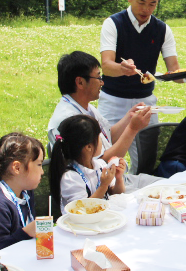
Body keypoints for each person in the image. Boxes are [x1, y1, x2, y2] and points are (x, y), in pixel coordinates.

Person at [98, 0, 186, 172]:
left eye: (152, 4)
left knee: (147, 159)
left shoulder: (162, 29)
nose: (146, 10)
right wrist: (123, 69)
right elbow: (106, 65)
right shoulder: (113, 23)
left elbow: (174, 71)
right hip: (113, 100)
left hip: (145, 101)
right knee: (106, 159)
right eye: (141, 2)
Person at [47, 51, 159, 192]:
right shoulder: (70, 120)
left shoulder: (86, 107)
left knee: (173, 185)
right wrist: (132, 129)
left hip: (118, 180)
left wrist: (129, 117)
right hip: (101, 188)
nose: (102, 82)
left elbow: (108, 137)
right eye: (99, 77)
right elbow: (101, 163)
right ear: (80, 82)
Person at [50, 115, 126, 213]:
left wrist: (118, 178)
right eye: (99, 137)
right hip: (79, 225)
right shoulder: (70, 178)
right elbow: (82, 209)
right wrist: (104, 185)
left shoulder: (100, 165)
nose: (101, 142)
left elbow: (116, 193)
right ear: (89, 147)